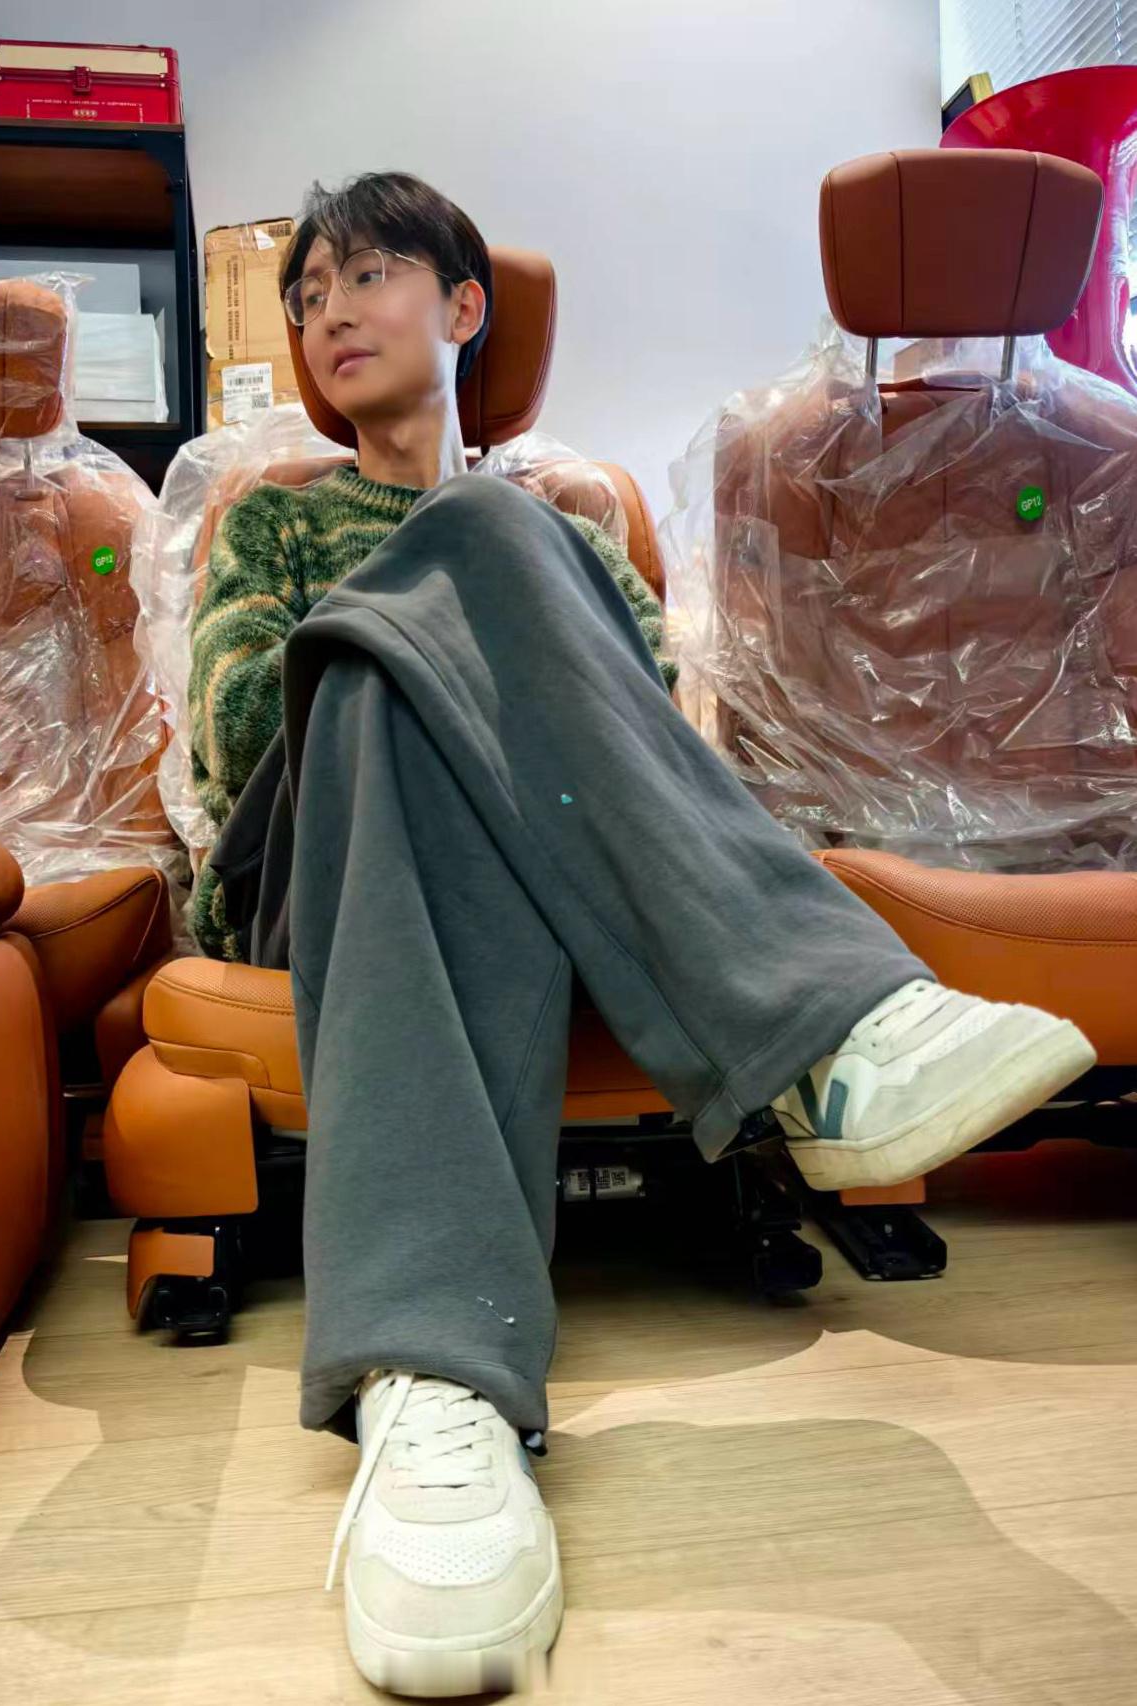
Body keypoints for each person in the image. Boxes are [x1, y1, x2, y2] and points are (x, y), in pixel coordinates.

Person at [187, 171, 1096, 1698]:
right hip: (311, 856)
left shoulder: (570, 530)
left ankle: (441, 1367)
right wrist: (408, 642)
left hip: (500, 870)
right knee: (384, 669)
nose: (329, 310)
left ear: (463, 307)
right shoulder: (272, 518)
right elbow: (234, 736)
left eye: (367, 275)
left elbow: (633, 759)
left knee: (490, 536)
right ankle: (826, 1032)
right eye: (309, 295)